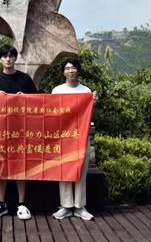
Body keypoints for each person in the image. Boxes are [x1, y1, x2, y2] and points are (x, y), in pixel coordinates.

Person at [0, 44, 37, 220]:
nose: (8, 59)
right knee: (1, 166)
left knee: (21, 165)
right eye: (4, 56)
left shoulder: (25, 79)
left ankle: (22, 204)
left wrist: (26, 98)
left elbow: (38, 103)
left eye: (11, 56)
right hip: (0, 132)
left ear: (15, 58)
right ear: (0, 59)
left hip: (22, 131)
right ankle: (2, 203)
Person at [51, 57, 95, 221]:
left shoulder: (86, 91)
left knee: (81, 171)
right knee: (64, 171)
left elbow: (90, 115)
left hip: (81, 137)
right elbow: (52, 114)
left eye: (73, 68)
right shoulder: (57, 91)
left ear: (78, 70)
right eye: (67, 68)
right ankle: (66, 206)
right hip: (63, 137)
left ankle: (80, 206)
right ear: (63, 72)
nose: (71, 71)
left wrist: (93, 103)